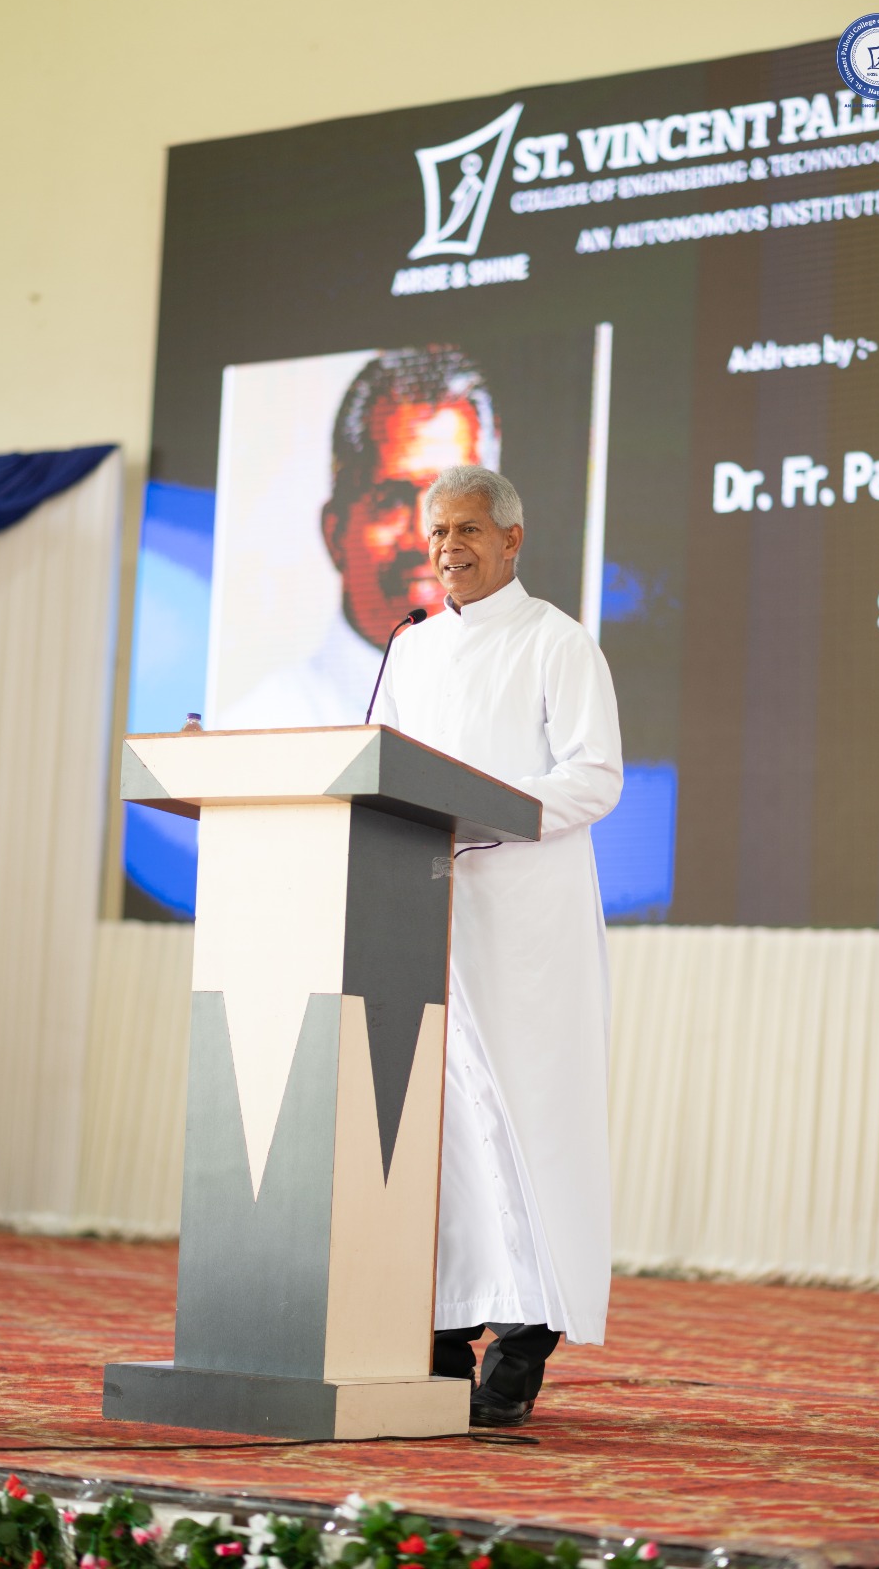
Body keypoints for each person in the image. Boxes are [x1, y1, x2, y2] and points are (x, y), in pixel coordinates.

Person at [372, 463, 623, 1427]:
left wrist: (481, 815)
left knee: (529, 1120)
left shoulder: (558, 643)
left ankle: (523, 1342)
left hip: (525, 922)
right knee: (437, 1134)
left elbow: (595, 778)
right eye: (437, 532)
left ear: (512, 540)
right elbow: (378, 767)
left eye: (468, 530)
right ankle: (437, 1336)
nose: (449, 548)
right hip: (423, 913)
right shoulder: (410, 649)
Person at [216, 345, 499, 728]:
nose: (427, 539)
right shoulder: (259, 728)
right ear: (335, 533)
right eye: (390, 501)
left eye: (455, 504)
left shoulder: (529, 701)